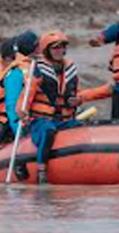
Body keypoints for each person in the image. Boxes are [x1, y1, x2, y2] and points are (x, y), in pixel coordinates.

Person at [19, 31, 82, 184]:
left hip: (62, 118)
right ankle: (42, 170)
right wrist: (22, 110)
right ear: (47, 50)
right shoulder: (38, 71)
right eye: (55, 48)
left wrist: (78, 100)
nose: (59, 50)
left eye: (62, 47)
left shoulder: (70, 70)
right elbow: (26, 94)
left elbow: (78, 93)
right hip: (41, 120)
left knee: (79, 127)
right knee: (48, 131)